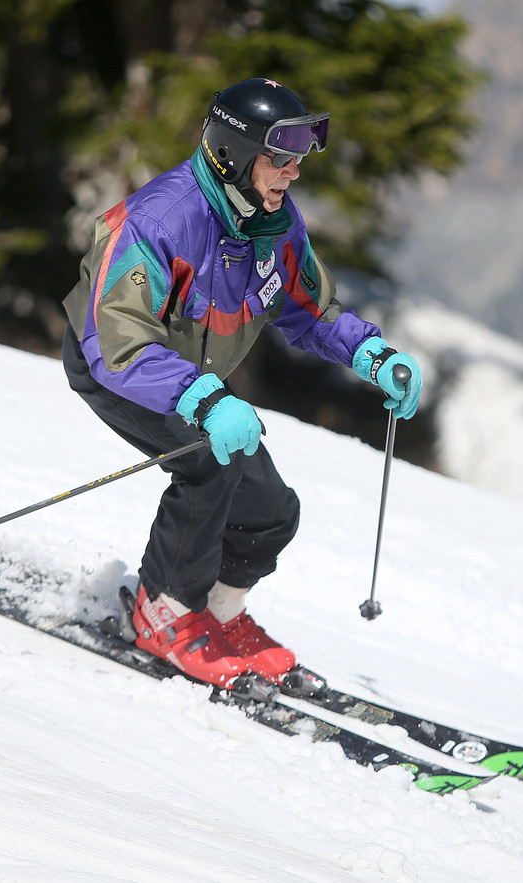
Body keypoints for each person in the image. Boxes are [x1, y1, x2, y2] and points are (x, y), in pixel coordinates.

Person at [60, 77, 422, 693]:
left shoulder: (272, 222)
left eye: (299, 157)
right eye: (280, 157)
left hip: (196, 381)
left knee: (271, 512)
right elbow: (115, 341)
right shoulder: (161, 219)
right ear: (234, 153)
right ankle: (165, 612)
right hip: (125, 370)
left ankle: (219, 614)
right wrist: (202, 398)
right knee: (208, 465)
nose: (294, 172)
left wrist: (370, 355)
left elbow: (307, 308)